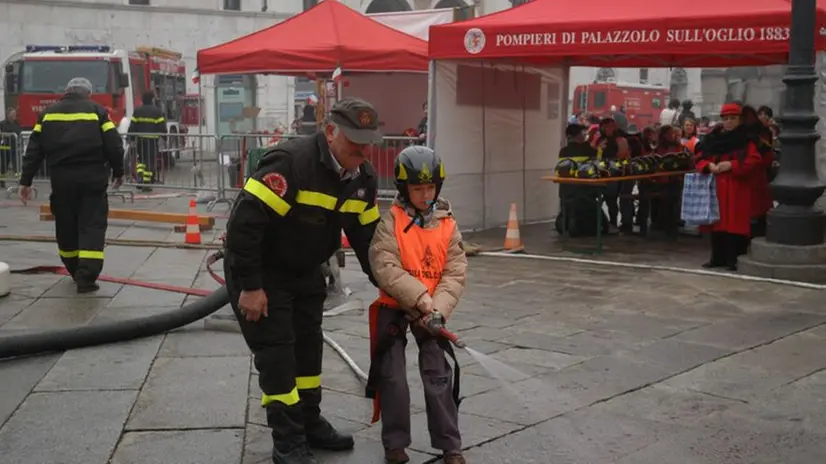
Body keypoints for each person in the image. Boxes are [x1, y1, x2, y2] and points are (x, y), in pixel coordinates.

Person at [223, 97, 383, 464]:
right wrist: (250, 286)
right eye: (354, 139)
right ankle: (288, 441)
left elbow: (367, 238)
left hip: (307, 272)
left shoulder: (363, 178)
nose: (363, 148)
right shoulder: (292, 164)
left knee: (308, 354)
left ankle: (310, 423)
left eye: (367, 139)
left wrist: (388, 284)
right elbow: (245, 226)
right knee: (277, 357)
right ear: (329, 131)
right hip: (262, 272)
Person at [366, 146, 467, 464]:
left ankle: (450, 445)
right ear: (403, 189)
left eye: (430, 188)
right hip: (396, 305)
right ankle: (395, 444)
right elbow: (385, 267)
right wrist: (420, 300)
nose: (425, 195)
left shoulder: (448, 226)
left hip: (433, 310)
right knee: (392, 376)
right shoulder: (389, 223)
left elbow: (455, 273)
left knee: (438, 375)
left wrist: (437, 310)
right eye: (417, 189)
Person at [18, 78, 124, 293]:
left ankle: (75, 270)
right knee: (92, 225)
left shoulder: (47, 114)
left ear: (66, 92)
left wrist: (25, 181)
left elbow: (34, 151)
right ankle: (86, 276)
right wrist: (118, 172)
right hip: (92, 178)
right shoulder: (97, 111)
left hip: (61, 180)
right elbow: (114, 145)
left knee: (66, 226)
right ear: (88, 93)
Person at [695, 102, 762, 271]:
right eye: (726, 118)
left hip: (738, 187)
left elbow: (754, 161)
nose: (729, 122)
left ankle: (734, 259)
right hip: (717, 188)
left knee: (735, 224)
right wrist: (708, 166)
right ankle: (717, 258)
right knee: (717, 224)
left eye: (733, 118)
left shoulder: (747, 140)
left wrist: (732, 165)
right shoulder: (713, 138)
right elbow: (700, 158)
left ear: (740, 119)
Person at [128, 91, 167, 190]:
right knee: (150, 161)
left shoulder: (137, 111)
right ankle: (146, 183)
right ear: (152, 99)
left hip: (140, 140)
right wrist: (164, 138)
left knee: (141, 160)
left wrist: (131, 138)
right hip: (152, 141)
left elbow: (132, 126)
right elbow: (161, 127)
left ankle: (140, 179)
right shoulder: (157, 111)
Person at [1, 108, 22, 184]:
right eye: (13, 114)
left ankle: (19, 181)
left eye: (15, 114)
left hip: (15, 147)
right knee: (4, 165)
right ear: (8, 114)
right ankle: (2, 181)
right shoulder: (2, 124)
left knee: (16, 165)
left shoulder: (17, 124)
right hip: (5, 148)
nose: (14, 115)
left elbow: (20, 133)